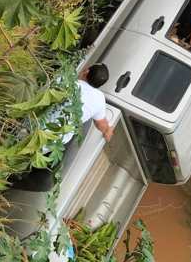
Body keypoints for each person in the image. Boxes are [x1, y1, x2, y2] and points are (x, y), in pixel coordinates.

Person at [8, 63, 113, 191]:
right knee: (18, 161)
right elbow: (101, 124)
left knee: (11, 149)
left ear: (86, 72)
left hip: (28, 128)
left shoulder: (64, 81)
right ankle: (5, 178)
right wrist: (108, 131)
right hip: (48, 145)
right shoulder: (99, 99)